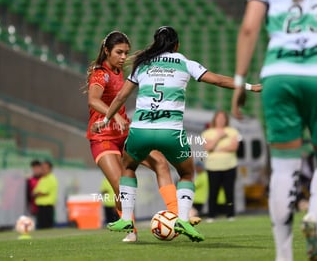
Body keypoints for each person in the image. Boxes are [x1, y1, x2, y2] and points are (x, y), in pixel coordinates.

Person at [92, 26, 261, 242]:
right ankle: (182, 218)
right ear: (176, 45)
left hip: (141, 130)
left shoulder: (142, 64)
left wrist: (105, 120)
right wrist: (249, 86)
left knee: (127, 167)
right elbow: (218, 80)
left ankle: (126, 218)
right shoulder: (183, 62)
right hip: (170, 131)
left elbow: (121, 97)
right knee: (187, 173)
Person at [231, 0, 317, 260]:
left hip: (278, 75)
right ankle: (314, 213)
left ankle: (283, 255)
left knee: (283, 168)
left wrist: (239, 82)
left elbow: (248, 28)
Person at [85, 31, 191, 242]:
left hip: (125, 133)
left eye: (126, 53)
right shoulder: (100, 73)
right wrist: (113, 117)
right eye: (119, 52)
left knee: (161, 163)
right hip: (103, 137)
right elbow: (93, 100)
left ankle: (177, 215)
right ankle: (131, 230)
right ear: (106, 51)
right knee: (119, 186)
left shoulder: (120, 71)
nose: (123, 57)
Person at [202, 110, 240, 222]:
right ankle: (211, 215)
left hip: (230, 165)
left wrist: (218, 148)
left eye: (223, 118)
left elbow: (234, 147)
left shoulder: (233, 131)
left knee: (229, 192)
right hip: (213, 167)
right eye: (219, 118)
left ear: (226, 119)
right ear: (215, 119)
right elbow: (208, 147)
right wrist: (219, 137)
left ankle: (230, 214)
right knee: (213, 192)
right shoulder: (207, 133)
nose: (221, 120)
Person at [33, 160, 58, 229]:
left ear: (50, 169)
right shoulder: (42, 179)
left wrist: (37, 193)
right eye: (42, 168)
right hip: (41, 207)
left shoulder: (51, 179)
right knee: (41, 227)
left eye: (45, 168)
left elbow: (43, 192)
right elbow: (35, 191)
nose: (43, 170)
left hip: (47, 207)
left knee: (47, 227)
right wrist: (36, 193)